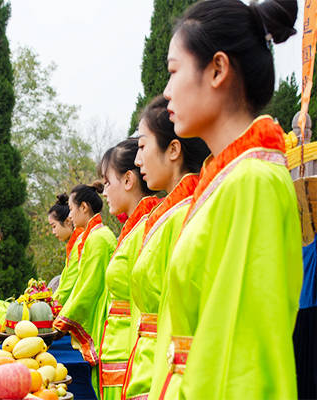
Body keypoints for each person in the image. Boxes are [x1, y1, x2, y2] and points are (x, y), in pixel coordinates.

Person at [148, 1, 302, 399]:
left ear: (217, 69)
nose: (165, 92)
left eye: (173, 70)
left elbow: (240, 364)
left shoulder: (251, 182)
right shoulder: (229, 181)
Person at [122, 96, 209, 400]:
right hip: (150, 368)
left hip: (164, 377)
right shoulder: (168, 214)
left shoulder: (187, 213)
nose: (137, 159)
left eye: (143, 146)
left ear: (173, 149)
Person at [97, 138, 160, 400]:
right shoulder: (131, 230)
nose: (104, 192)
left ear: (128, 180)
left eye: (107, 183)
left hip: (132, 360)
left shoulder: (146, 228)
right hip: (119, 356)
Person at [53, 182, 118, 398]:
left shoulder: (98, 238)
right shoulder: (95, 236)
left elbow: (88, 286)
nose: (69, 216)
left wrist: (62, 321)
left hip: (103, 316)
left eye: (71, 210)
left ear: (84, 207)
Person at [48, 193, 85, 308]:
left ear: (68, 222)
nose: (53, 232)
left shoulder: (80, 243)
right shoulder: (73, 244)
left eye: (54, 226)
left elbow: (69, 285)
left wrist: (50, 306)